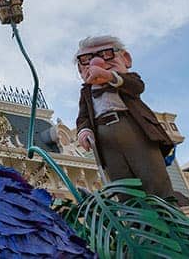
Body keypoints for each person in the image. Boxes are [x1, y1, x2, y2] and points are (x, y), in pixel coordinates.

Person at [74, 35, 176, 200]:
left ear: (126, 59)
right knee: (122, 184)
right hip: (105, 141)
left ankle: (166, 215)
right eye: (87, 59)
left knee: (152, 176)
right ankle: (133, 220)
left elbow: (137, 87)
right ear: (80, 69)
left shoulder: (127, 81)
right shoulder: (86, 92)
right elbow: (83, 116)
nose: (97, 63)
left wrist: (110, 77)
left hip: (134, 130)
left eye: (106, 54)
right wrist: (84, 131)